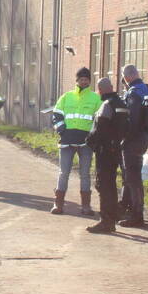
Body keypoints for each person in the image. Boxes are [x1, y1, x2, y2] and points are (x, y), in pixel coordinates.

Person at [50, 67, 101, 216]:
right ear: (76, 80)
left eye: (86, 79)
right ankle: (58, 204)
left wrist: (93, 136)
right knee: (63, 173)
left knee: (85, 174)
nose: (84, 82)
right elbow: (57, 115)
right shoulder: (66, 97)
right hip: (67, 141)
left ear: (90, 81)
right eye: (81, 79)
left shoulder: (96, 98)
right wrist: (62, 131)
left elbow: (99, 120)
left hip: (86, 143)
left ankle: (86, 206)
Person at [85, 78, 130, 233]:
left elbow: (99, 129)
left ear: (99, 90)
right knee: (111, 184)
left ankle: (106, 221)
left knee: (103, 185)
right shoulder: (122, 104)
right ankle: (113, 215)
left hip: (105, 151)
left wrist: (90, 142)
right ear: (111, 87)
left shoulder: (106, 105)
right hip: (116, 149)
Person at [120, 64, 148, 227]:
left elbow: (132, 120)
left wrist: (124, 139)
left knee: (132, 178)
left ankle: (136, 215)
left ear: (127, 77)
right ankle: (128, 208)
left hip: (134, 140)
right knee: (134, 176)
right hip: (145, 136)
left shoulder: (134, 93)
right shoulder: (146, 90)